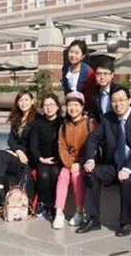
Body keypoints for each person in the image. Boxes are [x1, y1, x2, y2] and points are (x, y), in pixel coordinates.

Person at [77, 86, 131, 237]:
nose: (118, 104)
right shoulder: (108, 118)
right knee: (92, 173)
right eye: (114, 101)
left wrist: (128, 168)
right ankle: (93, 219)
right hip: (114, 165)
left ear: (129, 100)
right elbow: (92, 138)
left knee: (128, 181)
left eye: (121, 100)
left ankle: (125, 223)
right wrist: (90, 159)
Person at [0, 90, 37, 211]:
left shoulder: (37, 119)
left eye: (26, 100)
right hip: (18, 155)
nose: (23, 103)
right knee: (0, 155)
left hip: (29, 159)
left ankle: (1, 195)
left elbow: (34, 144)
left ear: (32, 101)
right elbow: (11, 140)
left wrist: (21, 152)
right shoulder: (16, 118)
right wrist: (18, 151)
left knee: (1, 158)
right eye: (20, 100)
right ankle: (0, 192)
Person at [51, 91, 97, 229]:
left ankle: (79, 212)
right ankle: (59, 213)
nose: (73, 108)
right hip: (69, 162)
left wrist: (81, 163)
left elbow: (94, 146)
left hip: (85, 161)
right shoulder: (64, 125)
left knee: (76, 176)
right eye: (70, 105)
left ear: (82, 107)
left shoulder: (90, 123)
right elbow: (62, 146)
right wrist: (70, 164)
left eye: (76, 105)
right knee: (63, 176)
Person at [29, 93, 65, 220]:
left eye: (52, 105)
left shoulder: (63, 122)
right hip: (42, 159)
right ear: (42, 107)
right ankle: (43, 202)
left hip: (58, 159)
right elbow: (33, 146)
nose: (49, 108)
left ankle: (53, 203)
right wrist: (41, 159)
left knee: (55, 172)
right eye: (46, 105)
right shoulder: (37, 124)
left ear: (57, 106)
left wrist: (59, 158)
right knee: (43, 174)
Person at [87, 58, 123, 124]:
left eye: (105, 73)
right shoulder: (93, 94)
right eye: (99, 73)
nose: (102, 77)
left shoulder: (120, 91)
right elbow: (93, 115)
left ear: (112, 75)